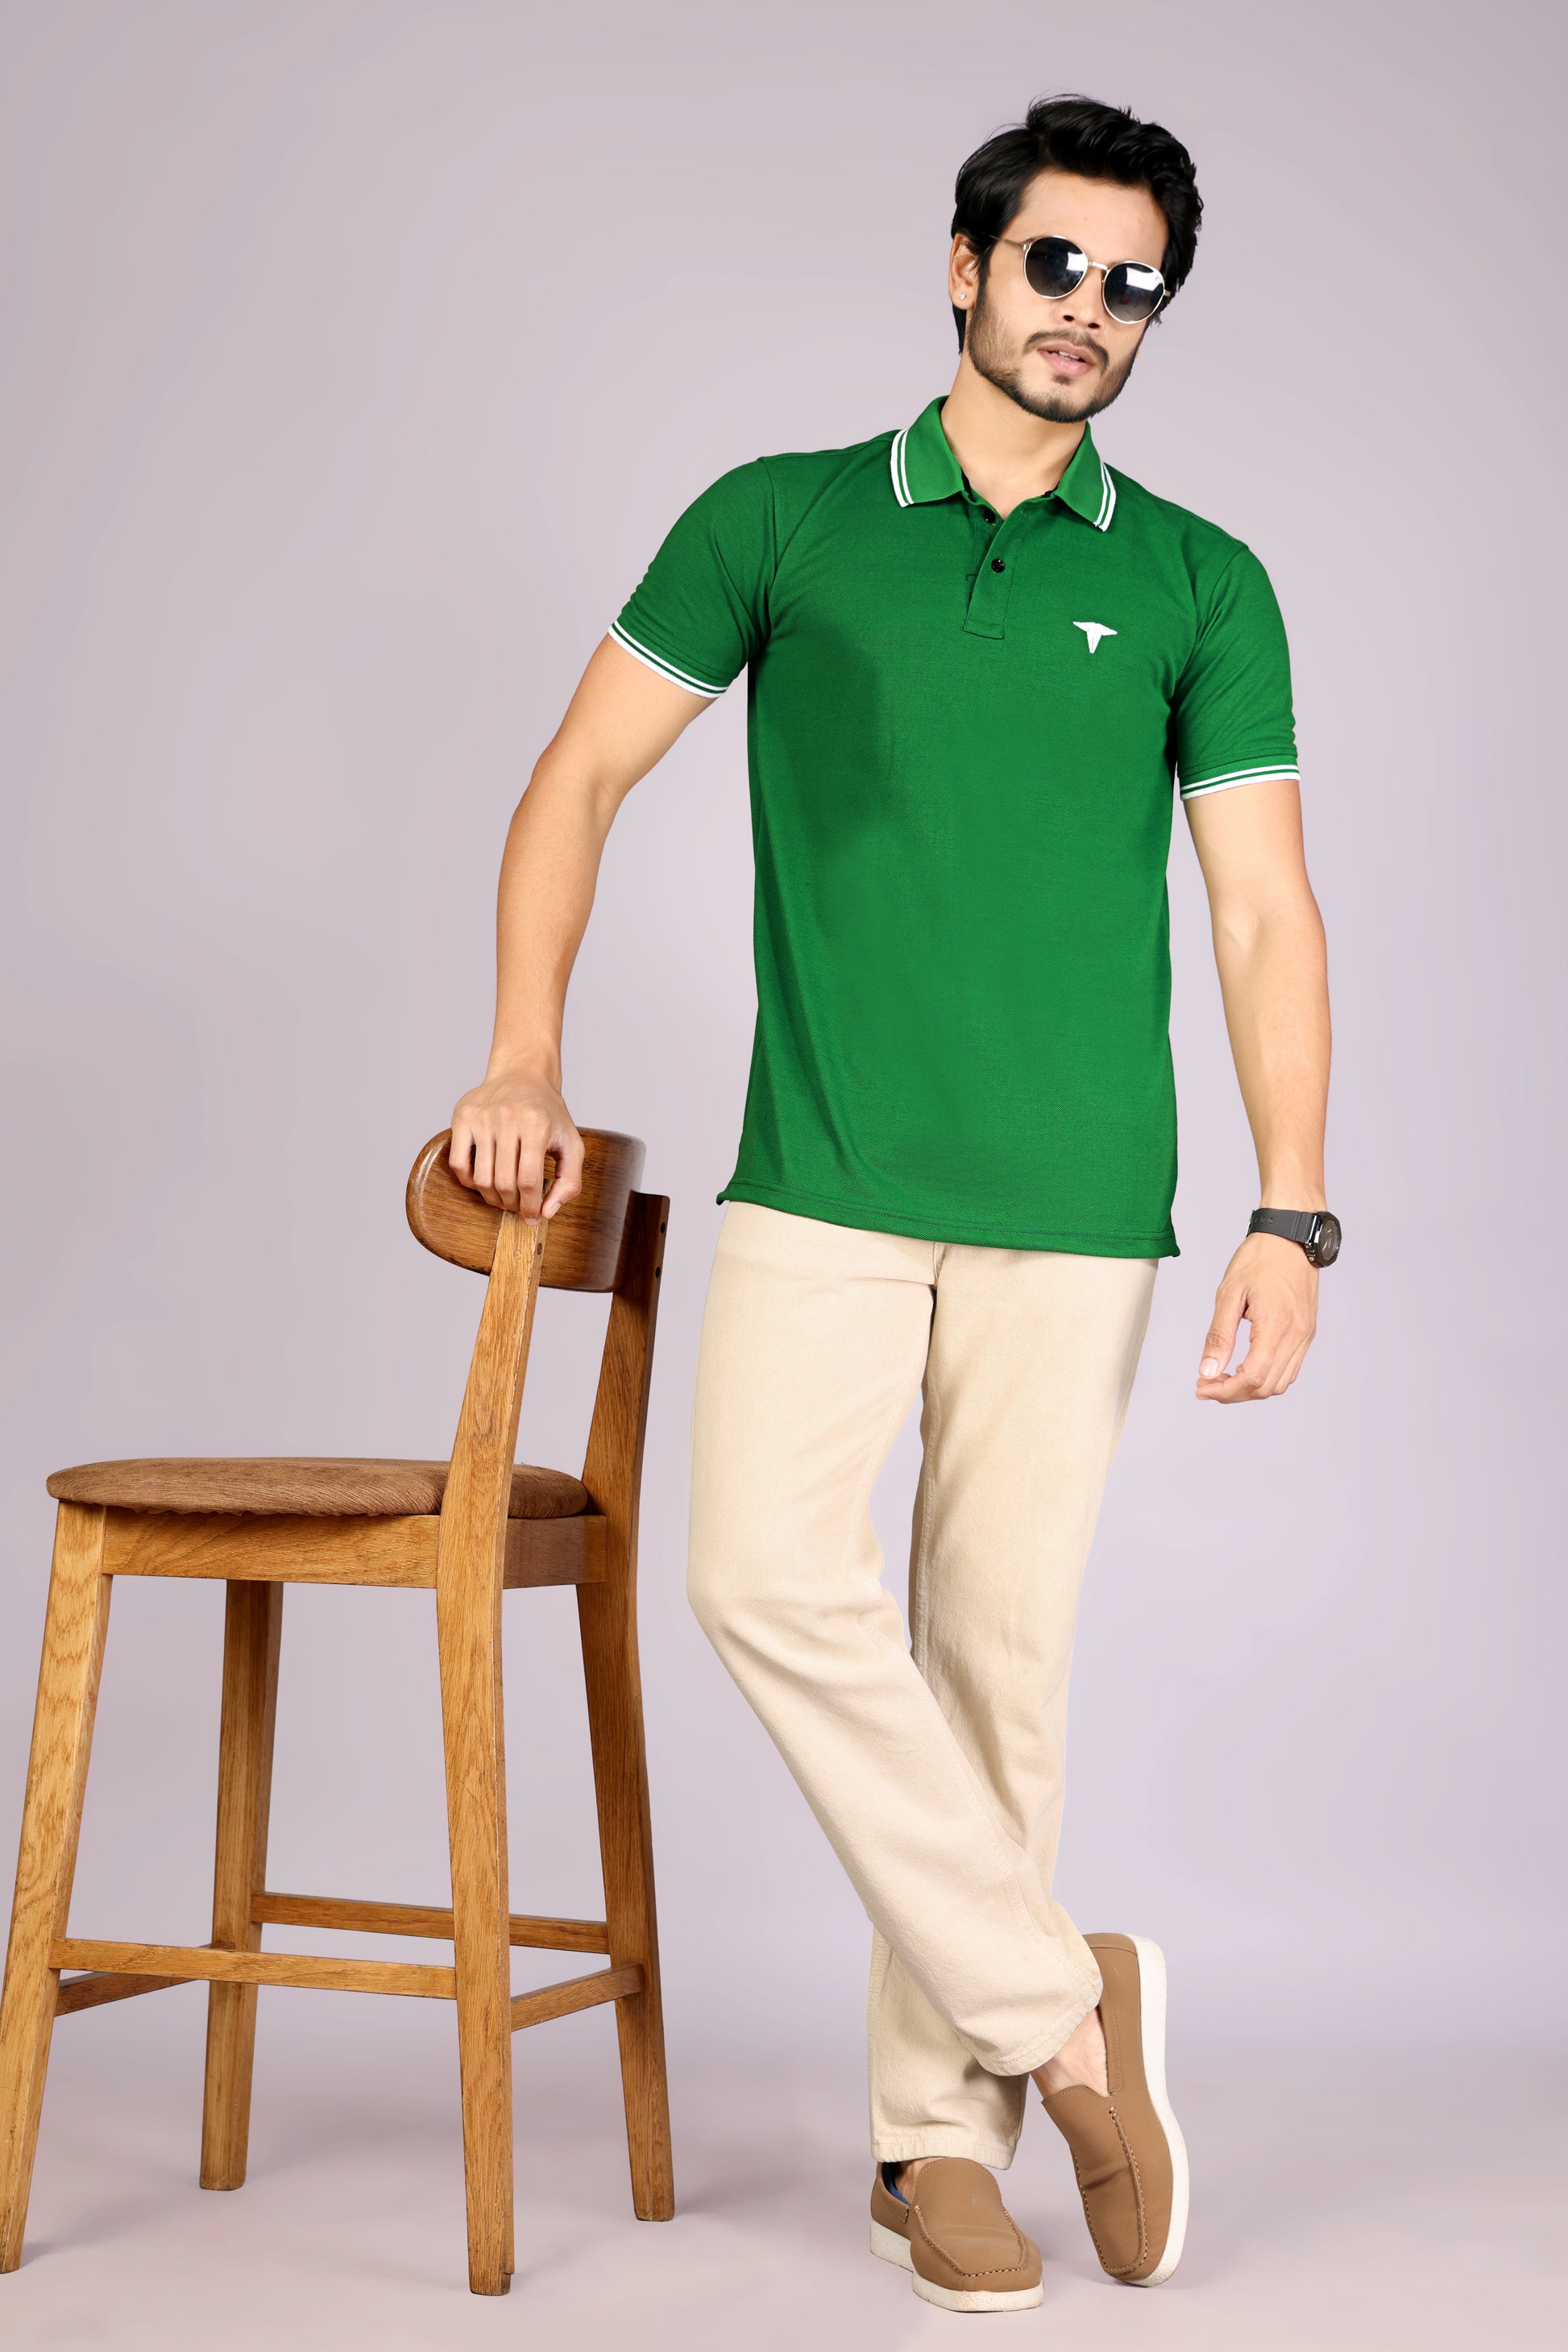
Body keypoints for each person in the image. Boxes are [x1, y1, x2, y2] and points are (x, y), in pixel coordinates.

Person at [450, 93, 1336, 2313]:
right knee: (759, 1574)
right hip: (826, 1174)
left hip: (1079, 1206)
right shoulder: (780, 520)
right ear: (963, 267)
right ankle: (1062, 2013)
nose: (1090, 311)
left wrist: (1292, 1207)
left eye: (1134, 287)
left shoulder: (1198, 580)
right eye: (1056, 265)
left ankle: (939, 2146)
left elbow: (1259, 912)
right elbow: (579, 774)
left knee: (993, 1667)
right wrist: (526, 1051)